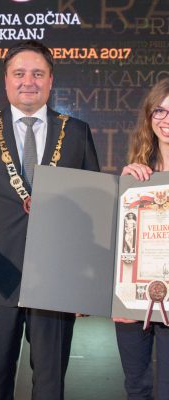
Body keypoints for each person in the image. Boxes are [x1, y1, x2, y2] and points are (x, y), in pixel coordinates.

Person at [0, 40, 100, 400]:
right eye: (19, 73)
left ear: (50, 81)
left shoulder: (76, 132)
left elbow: (91, 214)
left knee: (50, 384)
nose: (28, 81)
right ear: (6, 80)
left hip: (58, 281)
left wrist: (86, 284)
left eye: (37, 73)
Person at [115, 78, 169, 400]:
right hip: (133, 301)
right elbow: (122, 241)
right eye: (160, 110)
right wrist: (124, 192)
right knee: (136, 387)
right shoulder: (138, 175)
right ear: (149, 117)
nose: (167, 120)